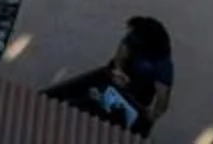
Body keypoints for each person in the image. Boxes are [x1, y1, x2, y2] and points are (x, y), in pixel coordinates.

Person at [42, 17, 174, 136]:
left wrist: (151, 116)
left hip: (135, 97)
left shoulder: (162, 64)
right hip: (114, 82)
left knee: (108, 119)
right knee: (88, 100)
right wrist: (118, 71)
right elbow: (121, 53)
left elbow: (162, 99)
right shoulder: (135, 37)